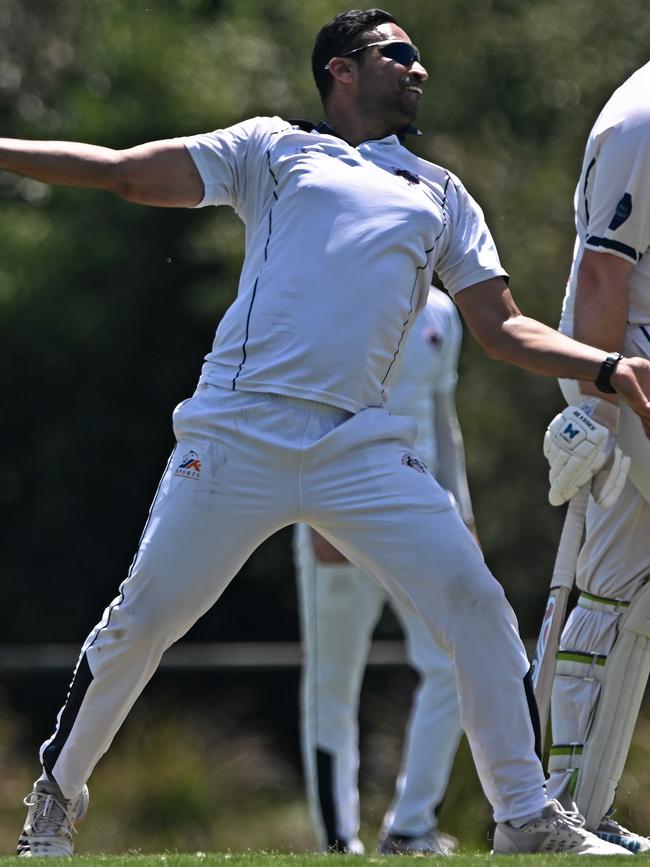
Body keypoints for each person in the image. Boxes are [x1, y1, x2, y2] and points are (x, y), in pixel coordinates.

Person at [4, 7, 650, 857]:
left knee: (476, 604)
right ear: (341, 69)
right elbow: (126, 173)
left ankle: (525, 815)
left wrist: (607, 367)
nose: (419, 68)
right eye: (398, 54)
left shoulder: (442, 194)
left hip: (359, 446)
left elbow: (502, 328)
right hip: (236, 430)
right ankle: (55, 799)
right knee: (144, 618)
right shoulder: (272, 149)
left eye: (420, 56)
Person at [295, 287, 472, 855]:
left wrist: (462, 514)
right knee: (332, 682)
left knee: (452, 664)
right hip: (338, 513)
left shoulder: (443, 311)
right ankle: (337, 841)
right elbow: (303, 405)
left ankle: (410, 826)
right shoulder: (336, 293)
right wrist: (315, 513)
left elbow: (443, 420)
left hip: (421, 517)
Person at [541, 60, 650, 854]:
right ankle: (561, 803)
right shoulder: (644, 119)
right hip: (631, 367)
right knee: (613, 592)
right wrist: (600, 405)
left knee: (620, 591)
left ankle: (576, 803)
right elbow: (602, 267)